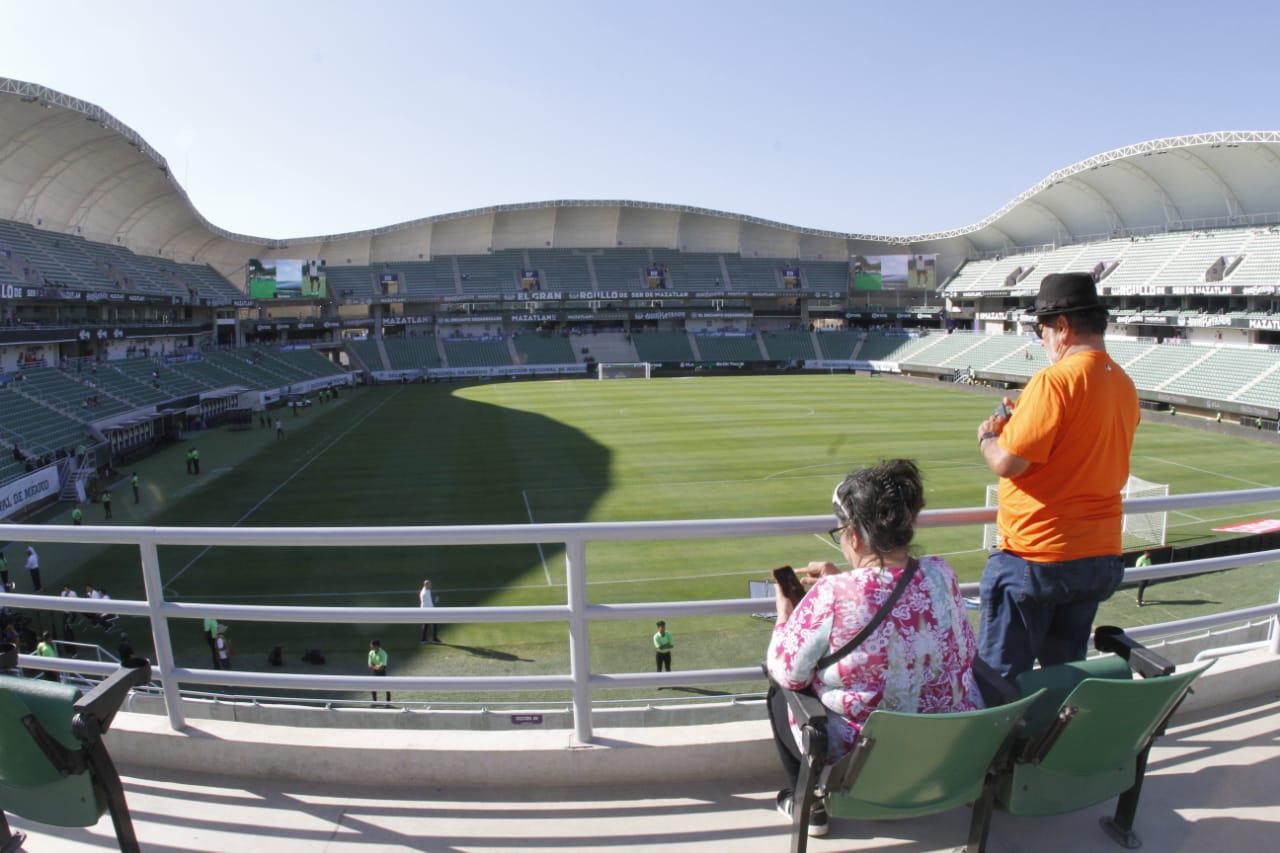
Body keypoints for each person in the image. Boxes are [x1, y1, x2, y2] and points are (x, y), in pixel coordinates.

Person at [767, 460, 981, 836]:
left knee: (778, 691)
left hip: (863, 763)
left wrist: (786, 615)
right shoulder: (941, 573)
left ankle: (810, 806)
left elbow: (786, 670)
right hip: (945, 751)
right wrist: (847, 581)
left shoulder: (833, 595)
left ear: (855, 535)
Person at [975, 273, 1139, 679]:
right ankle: (1053, 743)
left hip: (1039, 555)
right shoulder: (1124, 383)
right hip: (1097, 556)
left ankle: (1003, 745)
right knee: (1063, 678)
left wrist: (988, 438)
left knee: (997, 683)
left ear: (1062, 327)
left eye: (1042, 329)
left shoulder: (1055, 381)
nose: (1042, 339)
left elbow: (1008, 463)